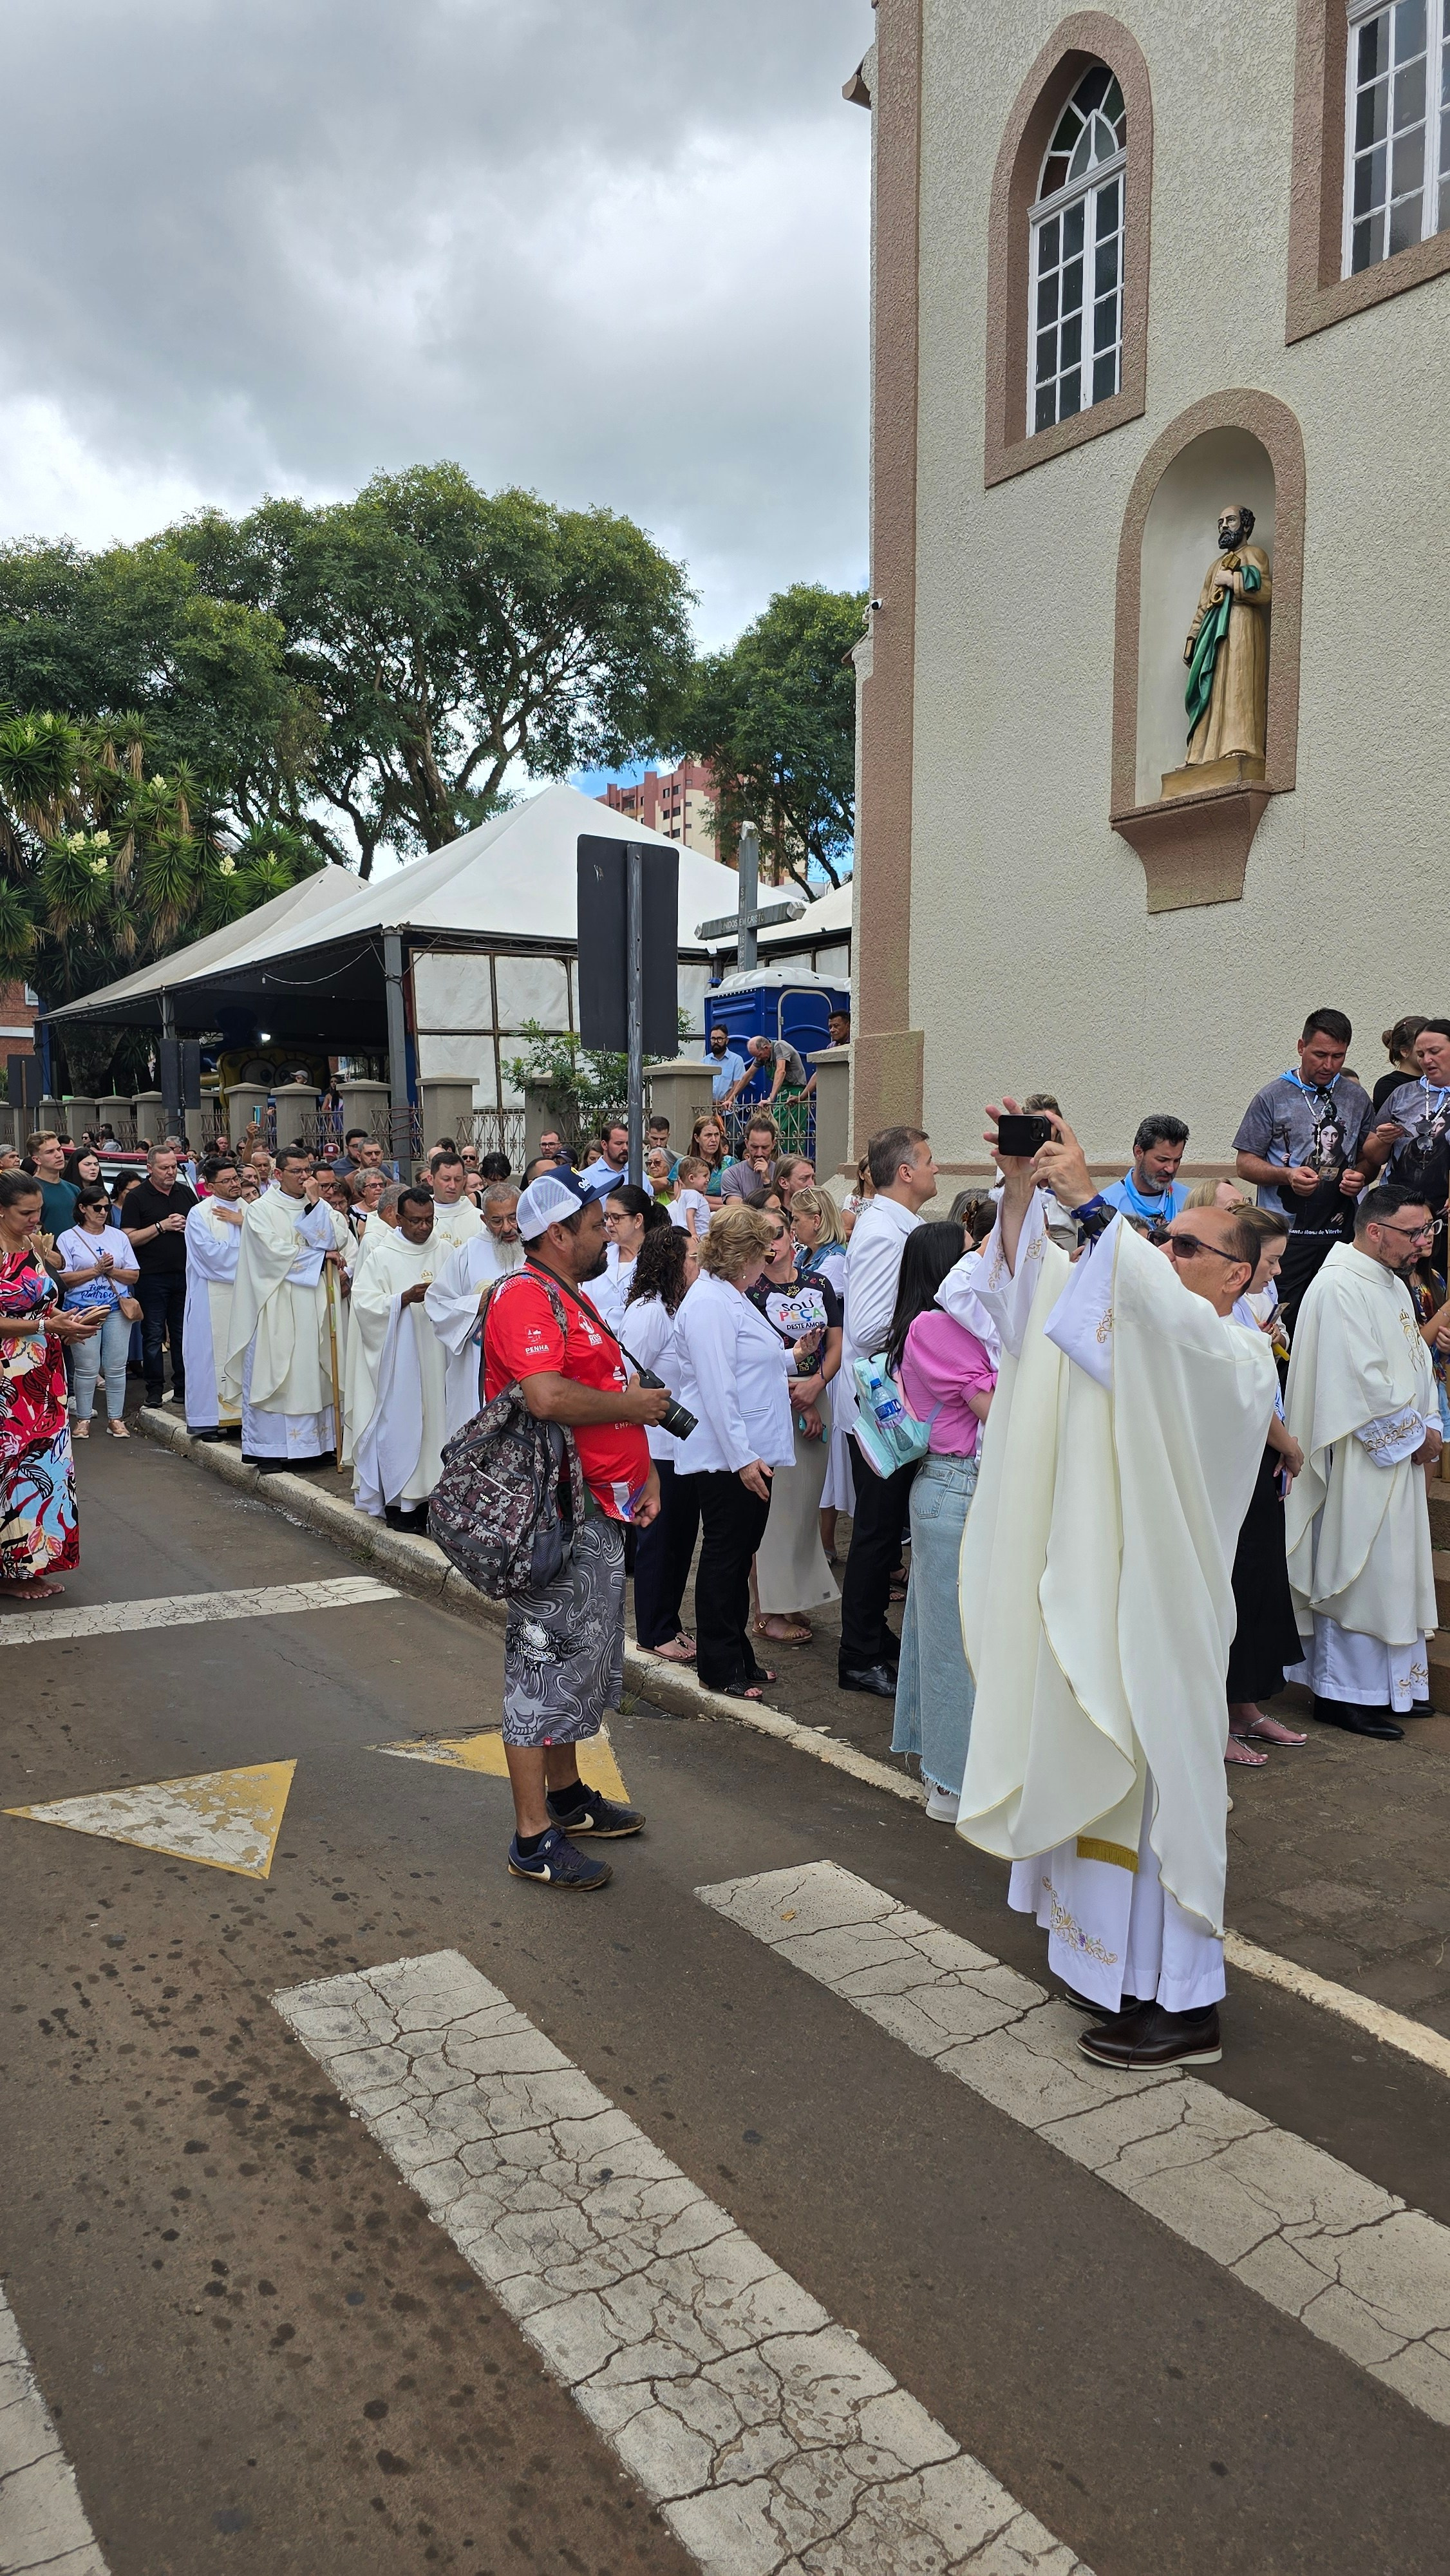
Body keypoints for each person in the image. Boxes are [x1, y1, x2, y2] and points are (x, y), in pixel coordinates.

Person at [958, 1101, 1275, 2070]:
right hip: (1107, 1597)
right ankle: (1120, 1974)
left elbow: (1163, 1323)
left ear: (1239, 1274)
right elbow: (1030, 1308)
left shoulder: (1235, 1354)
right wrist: (1024, 1188)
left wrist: (1095, 1205)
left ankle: (1187, 2006)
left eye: (1186, 1245)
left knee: (1165, 1799)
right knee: (1110, 1789)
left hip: (1166, 1611)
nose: (1165, 1252)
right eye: (1164, 1242)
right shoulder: (1139, 1327)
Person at [480, 1169, 666, 1890]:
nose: (607, 1233)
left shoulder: (567, 1293)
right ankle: (532, 1838)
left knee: (576, 1663)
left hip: (593, 1507)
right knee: (541, 1668)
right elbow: (547, 1395)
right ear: (556, 1234)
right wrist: (632, 1408)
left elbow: (601, 1394)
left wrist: (640, 1473)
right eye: (595, 1225)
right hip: (552, 1518)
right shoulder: (525, 1295)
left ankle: (564, 1797)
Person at [1283, 1183, 1441, 1741]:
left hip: (1398, 1454)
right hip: (1357, 1459)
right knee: (1356, 1570)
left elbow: (1416, 1361)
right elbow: (1357, 1381)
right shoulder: (1339, 1286)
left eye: (1428, 1229)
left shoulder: (1390, 1280)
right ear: (1376, 1231)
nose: (1423, 1242)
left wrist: (1431, 1422)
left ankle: (1393, 1688)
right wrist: (1414, 1435)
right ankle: (1340, 1693)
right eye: (1415, 1232)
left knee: (1393, 1573)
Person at [887, 1222, 997, 1817]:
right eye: (970, 1253)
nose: (979, 1263)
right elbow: (995, 1407)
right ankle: (951, 1783)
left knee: (949, 1638)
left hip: (964, 1491)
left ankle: (948, 1773)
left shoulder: (963, 1326)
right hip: (954, 1490)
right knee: (952, 1645)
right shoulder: (933, 1327)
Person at [672, 1206, 793, 1699]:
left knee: (739, 1554)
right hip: (729, 1456)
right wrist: (742, 1458)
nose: (769, 1259)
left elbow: (750, 1360)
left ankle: (736, 1653)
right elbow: (717, 1387)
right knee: (726, 1556)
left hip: (748, 1449)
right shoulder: (709, 1303)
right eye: (763, 1251)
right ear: (744, 1256)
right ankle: (719, 1666)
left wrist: (794, 1356)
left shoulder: (730, 1295)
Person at [836, 1126, 940, 1696]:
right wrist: (931, 1321)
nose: (935, 1169)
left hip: (893, 1405)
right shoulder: (883, 1231)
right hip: (882, 1408)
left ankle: (874, 1636)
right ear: (905, 1171)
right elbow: (869, 1328)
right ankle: (858, 1654)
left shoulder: (896, 1225)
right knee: (876, 1534)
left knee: (883, 1529)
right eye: (928, 1160)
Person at [1220, 1208, 1308, 1765]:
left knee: (1259, 1581)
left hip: (1259, 1457)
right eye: (1271, 1262)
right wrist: (1289, 1445)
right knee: (1234, 1583)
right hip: (1239, 1455)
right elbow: (1245, 1393)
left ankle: (1245, 1705)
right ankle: (1217, 1714)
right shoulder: (1218, 1314)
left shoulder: (1246, 1308)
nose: (1276, 1273)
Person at [1233, 1010, 1373, 1328]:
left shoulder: (1356, 1097)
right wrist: (1287, 1176)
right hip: (1285, 1237)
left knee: (1338, 1321)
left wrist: (1362, 1175)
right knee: (1286, 1321)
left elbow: (1368, 1157)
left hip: (1341, 1235)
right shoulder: (1272, 1096)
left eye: (1338, 1056)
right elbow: (1245, 1163)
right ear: (1301, 1047)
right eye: (1320, 1055)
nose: (1328, 1065)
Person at [0, 1171, 101, 1599]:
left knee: (45, 1467)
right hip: (7, 1379)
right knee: (11, 1469)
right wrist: (45, 1326)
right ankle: (9, 1571)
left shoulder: (32, 1245)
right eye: (26, 1212)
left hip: (44, 1373)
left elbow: (43, 1304)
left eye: (39, 1210)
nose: (36, 1219)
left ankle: (29, 1565)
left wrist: (68, 1324)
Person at [222, 1146, 352, 1468]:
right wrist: (319, 1257)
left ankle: (321, 1445)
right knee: (280, 1372)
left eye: (308, 1170)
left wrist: (315, 1205)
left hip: (317, 1302)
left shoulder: (319, 1204)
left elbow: (337, 1239)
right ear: (278, 1174)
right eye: (297, 1172)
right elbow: (270, 1253)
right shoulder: (261, 1210)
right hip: (278, 1303)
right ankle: (270, 1449)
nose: (305, 1177)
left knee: (315, 1370)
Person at [748, 1208, 842, 1647]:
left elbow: (836, 1343)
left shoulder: (819, 1283)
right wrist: (798, 1396)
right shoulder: (750, 1291)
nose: (772, 1242)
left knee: (804, 1506)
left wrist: (816, 1386)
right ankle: (764, 1610)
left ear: (792, 1236)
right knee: (774, 1509)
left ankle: (789, 1597)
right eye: (762, 1235)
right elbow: (752, 1357)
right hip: (773, 1400)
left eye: (778, 1233)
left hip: (816, 1394)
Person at [348, 1186, 449, 1530]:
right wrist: (401, 1300)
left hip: (439, 1357)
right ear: (399, 1219)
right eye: (416, 1221)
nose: (424, 1228)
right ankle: (400, 1504)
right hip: (399, 1362)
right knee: (401, 1425)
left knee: (437, 1425)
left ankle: (434, 1500)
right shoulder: (382, 1255)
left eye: (430, 1220)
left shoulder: (446, 1251)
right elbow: (363, 1304)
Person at [624, 1224, 702, 1663]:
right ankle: (653, 1631)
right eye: (692, 1257)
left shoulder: (677, 1307)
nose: (698, 1264)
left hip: (683, 1446)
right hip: (656, 1449)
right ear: (672, 1262)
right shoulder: (649, 1311)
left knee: (681, 1540)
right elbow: (626, 1375)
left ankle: (670, 1623)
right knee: (658, 1541)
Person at [424, 1182, 525, 1441]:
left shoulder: (538, 1246)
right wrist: (475, 1305)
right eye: (497, 1221)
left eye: (513, 1217)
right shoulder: (466, 1254)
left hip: (527, 1359)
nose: (507, 1228)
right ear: (484, 1220)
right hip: (480, 1363)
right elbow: (436, 1302)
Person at [791, 1184, 851, 1562]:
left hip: (828, 1365)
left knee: (825, 1459)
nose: (793, 1226)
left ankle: (826, 1542)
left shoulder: (834, 1262)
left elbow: (823, 1320)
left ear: (816, 1220)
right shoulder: (806, 1254)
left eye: (797, 1219)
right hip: (807, 1359)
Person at [55, 1185, 139, 1440]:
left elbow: (134, 1274)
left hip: (116, 1308)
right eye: (97, 1208)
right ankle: (83, 1419)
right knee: (86, 1367)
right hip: (81, 1310)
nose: (103, 1212)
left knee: (116, 1366)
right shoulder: (68, 1237)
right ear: (82, 1208)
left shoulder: (118, 1236)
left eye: (106, 1207)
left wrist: (109, 1271)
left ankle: (116, 1419)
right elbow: (65, 1279)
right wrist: (96, 1270)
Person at [122, 1142, 198, 1408]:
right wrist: (161, 1226)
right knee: (153, 1335)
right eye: (164, 1168)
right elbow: (128, 1238)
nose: (170, 1172)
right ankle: (154, 1389)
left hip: (185, 1274)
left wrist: (190, 1228)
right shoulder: (137, 1197)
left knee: (182, 1334)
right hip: (152, 1277)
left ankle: (183, 1387)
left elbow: (201, 1228)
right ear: (150, 1169)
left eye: (174, 1167)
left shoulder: (185, 1192)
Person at [1357, 1018, 1450, 1224]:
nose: (1427, 1060)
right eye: (1421, 1054)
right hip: (1398, 1218)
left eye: (1435, 1052)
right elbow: (1372, 1156)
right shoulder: (1402, 1094)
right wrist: (1383, 1140)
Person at [181, 1158, 246, 1439]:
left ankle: (240, 1418)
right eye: (227, 1180)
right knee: (207, 1357)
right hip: (209, 1299)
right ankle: (207, 1420)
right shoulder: (199, 1214)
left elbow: (270, 1248)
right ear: (209, 1186)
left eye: (236, 1179)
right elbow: (210, 1257)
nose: (234, 1184)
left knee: (243, 1354)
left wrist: (247, 1226)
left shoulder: (252, 1211)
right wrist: (250, 1257)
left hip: (245, 1299)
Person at [593, 1184, 668, 1335]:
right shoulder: (597, 1257)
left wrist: (595, 1318)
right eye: (607, 1217)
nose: (609, 1224)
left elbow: (648, 1311)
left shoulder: (660, 1260)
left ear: (638, 1220)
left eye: (616, 1217)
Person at [1102, 1115, 1191, 1231]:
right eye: (1162, 1160)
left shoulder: (1190, 1201)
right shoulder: (1107, 1205)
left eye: (1177, 1160)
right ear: (1139, 1152)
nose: (1171, 1169)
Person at [726, 1032, 815, 1108]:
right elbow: (748, 1076)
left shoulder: (780, 1047)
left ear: (766, 1048)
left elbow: (781, 1071)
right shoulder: (762, 1056)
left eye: (759, 1055)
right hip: (782, 1094)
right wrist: (731, 1099)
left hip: (795, 1092)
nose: (759, 1059)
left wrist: (771, 1099)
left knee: (785, 1123)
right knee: (777, 1123)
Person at [23, 1133, 79, 1247]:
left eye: (59, 1149)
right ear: (37, 1160)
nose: (58, 1155)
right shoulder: (30, 1191)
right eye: (50, 1152)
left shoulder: (74, 1189)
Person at [426, 1147, 484, 1253]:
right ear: (431, 1180)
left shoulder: (479, 1218)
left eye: (458, 1179)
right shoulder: (420, 1217)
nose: (453, 1186)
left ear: (464, 1180)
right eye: (446, 1179)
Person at [1371, 1015, 1429, 1115]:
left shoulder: (1435, 1081)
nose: (1432, 1054)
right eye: (1425, 1048)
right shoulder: (1389, 1086)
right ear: (1405, 1051)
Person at [719, 1116, 778, 1206]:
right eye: (755, 1147)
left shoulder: (781, 1172)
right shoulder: (732, 1174)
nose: (759, 1153)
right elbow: (737, 1210)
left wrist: (767, 1182)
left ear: (773, 1144)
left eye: (765, 1147)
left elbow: (779, 1209)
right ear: (746, 1143)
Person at [577, 1122, 630, 1199]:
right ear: (605, 1145)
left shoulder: (640, 1176)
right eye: (619, 1143)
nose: (625, 1148)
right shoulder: (585, 1178)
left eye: (628, 1143)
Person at [687, 1115, 729, 1204]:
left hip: (727, 1212)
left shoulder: (730, 1163)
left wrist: (701, 1198)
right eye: (708, 1135)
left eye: (717, 1135)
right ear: (697, 1138)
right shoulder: (684, 1164)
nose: (714, 1140)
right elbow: (682, 1198)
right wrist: (723, 1205)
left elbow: (737, 1197)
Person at [703, 1023, 748, 1103]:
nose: (716, 1042)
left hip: (729, 1108)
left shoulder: (736, 1060)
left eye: (719, 1039)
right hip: (709, 1107)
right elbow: (701, 1085)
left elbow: (738, 1085)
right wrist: (712, 1103)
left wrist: (725, 1102)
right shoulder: (705, 1061)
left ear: (726, 1041)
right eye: (713, 1039)